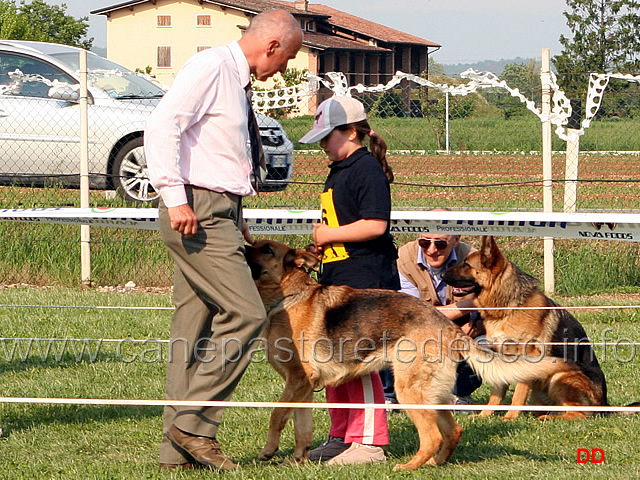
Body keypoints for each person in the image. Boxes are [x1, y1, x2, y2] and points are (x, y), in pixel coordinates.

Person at [144, 9, 303, 471]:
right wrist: (175, 198)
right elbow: (163, 126)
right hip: (195, 210)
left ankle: (175, 452)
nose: (285, 67)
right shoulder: (212, 67)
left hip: (217, 211)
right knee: (248, 314)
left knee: (192, 329)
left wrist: (237, 216)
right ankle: (194, 428)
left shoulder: (235, 80)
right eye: (288, 57)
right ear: (271, 45)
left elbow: (218, 151)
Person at [298, 95, 399, 465]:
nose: (323, 143)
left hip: (366, 283)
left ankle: (369, 443)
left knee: (360, 362)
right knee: (335, 362)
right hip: (339, 281)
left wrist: (329, 236)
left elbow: (376, 225)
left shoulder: (366, 169)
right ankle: (341, 435)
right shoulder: (339, 169)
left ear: (352, 132)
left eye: (329, 136)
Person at [382, 230, 484, 411]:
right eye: (424, 243)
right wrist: (469, 304)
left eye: (440, 244)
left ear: (456, 240)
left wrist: (473, 324)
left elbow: (488, 309)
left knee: (486, 342)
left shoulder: (474, 261)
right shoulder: (403, 258)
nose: (431, 249)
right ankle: (390, 396)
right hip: (414, 329)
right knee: (384, 335)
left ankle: (458, 394)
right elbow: (411, 315)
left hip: (464, 330)